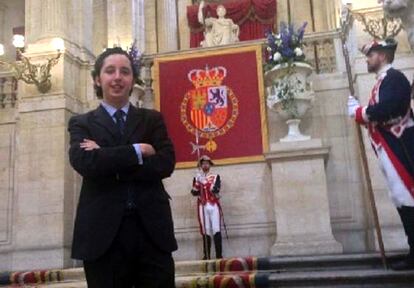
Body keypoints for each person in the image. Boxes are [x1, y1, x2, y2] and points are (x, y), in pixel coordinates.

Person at [68, 47, 177, 287]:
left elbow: (165, 163)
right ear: (98, 78)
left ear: (132, 79)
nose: (118, 77)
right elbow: (85, 163)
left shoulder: (152, 119)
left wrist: (106, 158)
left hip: (151, 232)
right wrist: (138, 151)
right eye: (110, 71)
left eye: (125, 71)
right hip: (102, 235)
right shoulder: (81, 123)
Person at [348, 38, 414, 270]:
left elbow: (391, 109)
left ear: (383, 56)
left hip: (402, 147)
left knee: (407, 196)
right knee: (401, 197)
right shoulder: (382, 82)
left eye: (371, 55)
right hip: (389, 147)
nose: (368, 59)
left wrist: (362, 112)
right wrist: (362, 113)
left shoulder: (394, 78)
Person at [191, 155, 223, 260]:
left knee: (216, 229)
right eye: (203, 163)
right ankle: (207, 255)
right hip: (203, 205)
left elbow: (216, 190)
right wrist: (197, 182)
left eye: (207, 163)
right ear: (201, 165)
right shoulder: (197, 177)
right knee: (206, 230)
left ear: (210, 165)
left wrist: (205, 183)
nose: (205, 165)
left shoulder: (216, 176)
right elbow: (194, 192)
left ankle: (219, 255)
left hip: (213, 205)